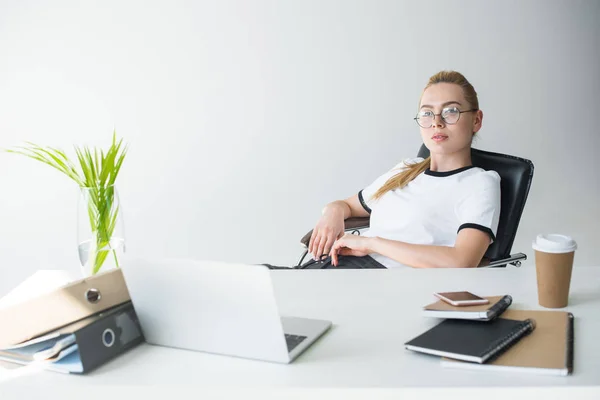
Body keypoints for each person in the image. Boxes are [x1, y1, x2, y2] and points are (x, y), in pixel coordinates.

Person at [267, 70, 500, 270]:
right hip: (340, 266)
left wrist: (371, 244)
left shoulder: (479, 183)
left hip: (379, 278)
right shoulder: (407, 170)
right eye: (427, 113)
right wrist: (332, 214)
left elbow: (462, 261)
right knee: (250, 283)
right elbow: (345, 206)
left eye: (451, 111)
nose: (437, 122)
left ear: (476, 120)